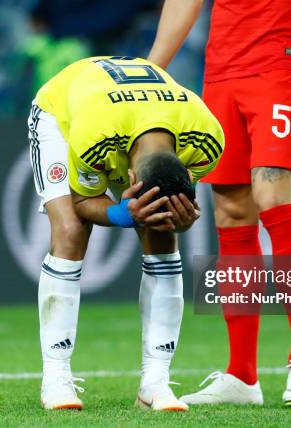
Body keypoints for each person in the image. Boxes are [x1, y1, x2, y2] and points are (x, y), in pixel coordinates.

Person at [148, 0, 291, 406]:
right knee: (232, 214)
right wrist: (150, 72)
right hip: (221, 74)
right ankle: (242, 376)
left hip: (282, 65)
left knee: (272, 198)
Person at [28, 56, 224, 411]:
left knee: (163, 235)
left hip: (127, 109)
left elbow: (176, 201)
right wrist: (122, 213)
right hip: (62, 112)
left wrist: (179, 219)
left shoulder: (207, 138)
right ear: (129, 180)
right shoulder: (93, 137)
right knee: (71, 230)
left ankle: (155, 384)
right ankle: (55, 378)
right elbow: (84, 201)